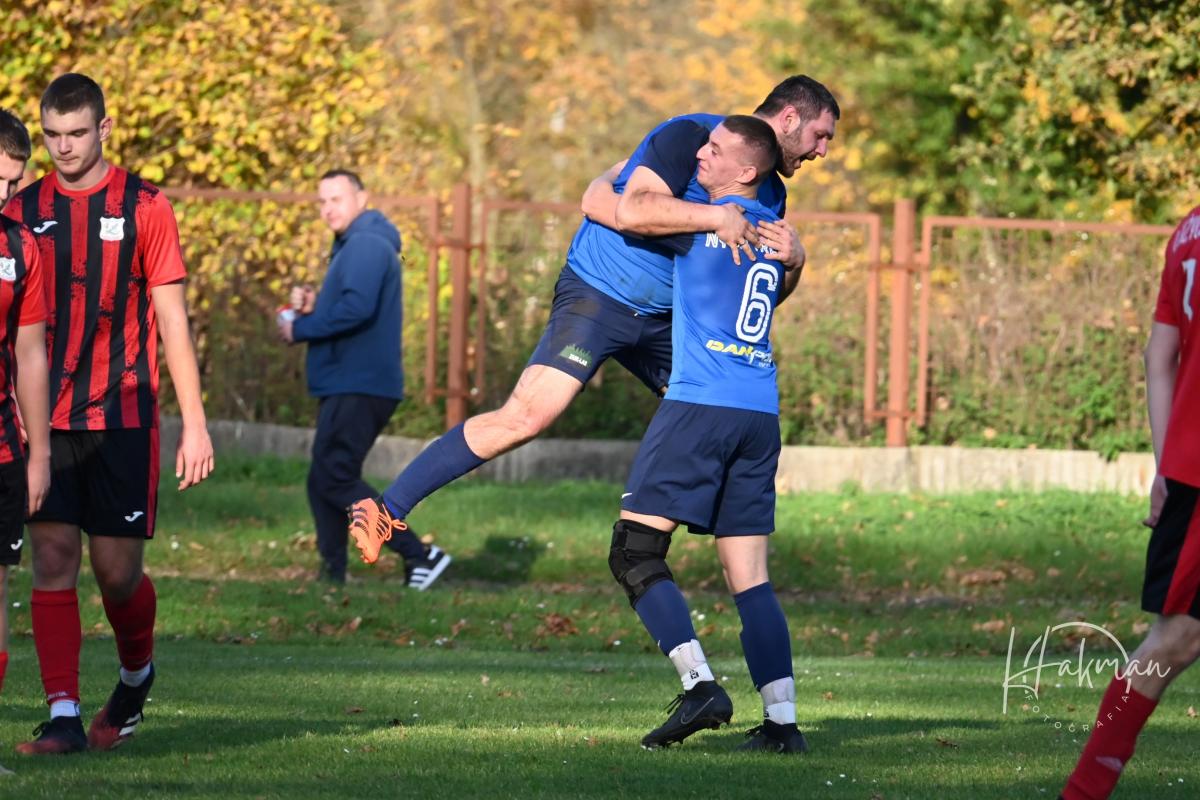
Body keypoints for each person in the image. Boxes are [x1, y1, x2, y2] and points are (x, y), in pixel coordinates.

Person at [348, 76, 839, 564]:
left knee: (722, 410)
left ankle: (735, 576)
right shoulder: (695, 137)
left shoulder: (770, 195)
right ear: (789, 118)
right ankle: (386, 509)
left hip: (669, 320)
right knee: (528, 416)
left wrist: (795, 263)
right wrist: (709, 217)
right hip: (599, 296)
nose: (821, 151)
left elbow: (755, 295)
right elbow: (634, 209)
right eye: (820, 135)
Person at [3, 73, 214, 755]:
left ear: (104, 129)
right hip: (44, 420)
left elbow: (172, 320)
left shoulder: (146, 205)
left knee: (117, 575)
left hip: (123, 415)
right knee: (52, 556)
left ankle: (134, 677)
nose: (64, 147)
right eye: (52, 136)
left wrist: (196, 424)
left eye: (76, 133)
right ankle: (63, 715)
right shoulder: (21, 210)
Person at [606, 116, 804, 753]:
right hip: (759, 414)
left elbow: (625, 212)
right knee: (751, 579)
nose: (700, 154)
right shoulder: (775, 234)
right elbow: (778, 280)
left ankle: (700, 686)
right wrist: (800, 258)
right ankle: (782, 725)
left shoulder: (703, 221)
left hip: (700, 406)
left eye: (715, 150)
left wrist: (603, 185)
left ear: (746, 171)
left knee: (635, 552)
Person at [1057, 207, 1200, 798]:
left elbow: (1157, 356)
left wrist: (1167, 465)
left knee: (1173, 640)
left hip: (1189, 466)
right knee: (1173, 640)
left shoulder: (1187, 230)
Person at [278, 169, 449, 589]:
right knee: (325, 479)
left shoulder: (366, 244)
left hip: (358, 382)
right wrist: (316, 306)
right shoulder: (355, 245)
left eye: (336, 199)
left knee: (333, 476)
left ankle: (420, 554)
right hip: (351, 381)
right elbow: (351, 304)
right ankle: (332, 573)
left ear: (361, 198)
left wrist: (301, 328)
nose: (327, 209)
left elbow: (357, 309)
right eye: (322, 201)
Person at [0, 109, 51, 721]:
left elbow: (30, 352)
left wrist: (39, 453)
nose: (5, 193)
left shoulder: (20, 246)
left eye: (14, 183)